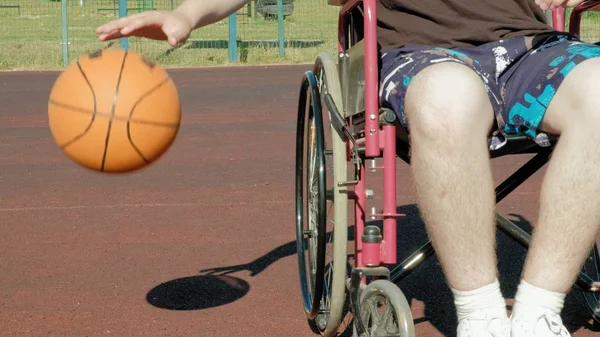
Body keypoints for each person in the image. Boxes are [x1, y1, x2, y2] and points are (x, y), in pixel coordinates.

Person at [96, 0, 600, 336]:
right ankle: (482, 317)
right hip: (420, 55)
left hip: (528, 47)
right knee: (448, 100)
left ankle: (539, 311)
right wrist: (186, 14)